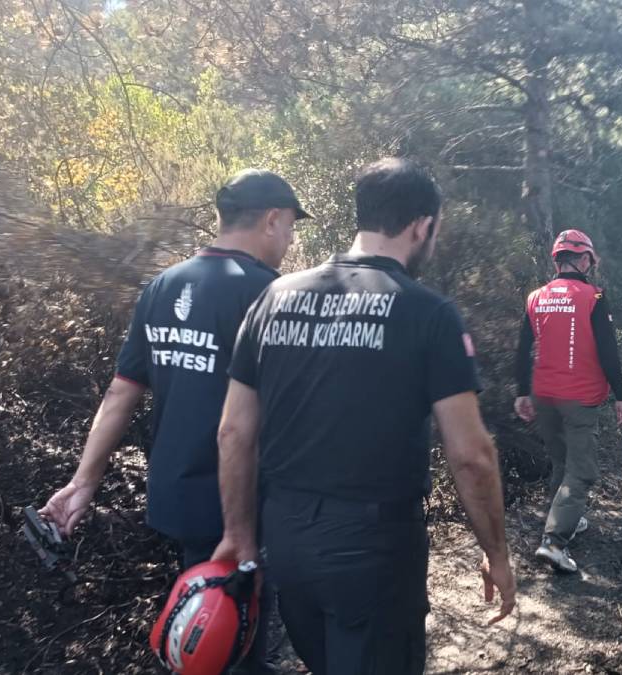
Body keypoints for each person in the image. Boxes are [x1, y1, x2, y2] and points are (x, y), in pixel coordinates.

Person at [211, 158, 515, 675]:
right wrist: (497, 551)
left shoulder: (273, 297)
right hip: (373, 549)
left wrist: (240, 534)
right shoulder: (428, 313)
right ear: (423, 225)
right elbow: (471, 456)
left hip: (287, 539)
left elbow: (234, 431)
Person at [41, 168, 308, 674]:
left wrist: (83, 482)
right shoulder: (270, 295)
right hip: (244, 506)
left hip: (181, 496)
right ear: (272, 219)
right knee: (234, 642)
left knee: (213, 637)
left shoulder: (162, 286)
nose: (291, 239)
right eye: (291, 226)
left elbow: (122, 390)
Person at [514, 229, 622, 574]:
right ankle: (554, 542)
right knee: (581, 472)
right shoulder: (592, 296)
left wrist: (522, 391)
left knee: (561, 460)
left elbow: (522, 349)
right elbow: (608, 350)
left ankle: (566, 518)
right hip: (579, 396)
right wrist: (621, 395)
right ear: (583, 260)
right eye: (589, 261)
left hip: (543, 394)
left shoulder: (536, 297)